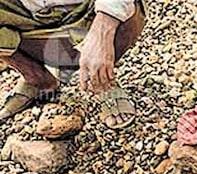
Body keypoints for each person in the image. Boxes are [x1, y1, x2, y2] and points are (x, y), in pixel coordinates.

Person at [0, 0, 144, 128]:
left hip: (89, 11)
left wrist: (103, 30)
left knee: (125, 8)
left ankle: (103, 81)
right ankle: (36, 77)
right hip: (31, 17)